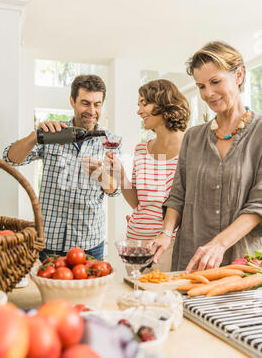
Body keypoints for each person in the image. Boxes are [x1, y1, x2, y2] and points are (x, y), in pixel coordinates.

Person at [150, 41, 262, 273]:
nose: (208, 93)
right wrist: (165, 233)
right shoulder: (193, 137)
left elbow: (258, 206)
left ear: (239, 74)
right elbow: (178, 195)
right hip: (191, 261)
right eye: (201, 86)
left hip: (241, 265)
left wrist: (217, 245)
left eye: (215, 82)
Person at [3, 75, 121, 261]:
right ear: (72, 101)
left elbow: (114, 189)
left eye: (97, 104)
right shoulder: (53, 133)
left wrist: (101, 175)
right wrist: (36, 135)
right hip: (49, 241)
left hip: (89, 242)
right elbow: (10, 158)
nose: (92, 111)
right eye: (85, 103)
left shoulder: (110, 141)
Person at [109, 79, 190, 272]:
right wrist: (121, 177)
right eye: (139, 105)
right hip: (135, 244)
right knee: (137, 297)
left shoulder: (190, 148)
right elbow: (139, 203)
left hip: (168, 246)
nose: (139, 111)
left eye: (144, 103)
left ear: (164, 103)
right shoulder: (141, 149)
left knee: (163, 298)